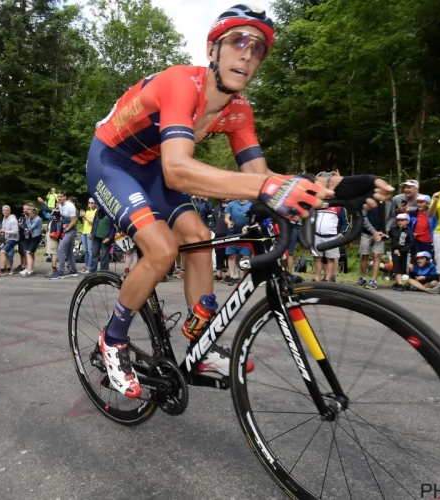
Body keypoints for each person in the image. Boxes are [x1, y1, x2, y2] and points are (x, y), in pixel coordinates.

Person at [84, 4, 392, 398]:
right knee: (162, 250)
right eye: (238, 41)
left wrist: (332, 188)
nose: (247, 54)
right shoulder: (181, 83)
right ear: (213, 50)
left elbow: (259, 177)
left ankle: (201, 341)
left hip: (156, 168)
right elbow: (180, 170)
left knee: (197, 234)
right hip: (113, 161)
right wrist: (267, 190)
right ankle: (113, 338)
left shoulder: (239, 111)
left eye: (258, 48)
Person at [389, 213, 414, 291]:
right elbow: (391, 238)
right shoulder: (393, 230)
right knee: (397, 267)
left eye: (402, 220)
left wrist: (402, 250)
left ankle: (396, 283)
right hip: (395, 251)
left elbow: (411, 242)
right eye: (398, 220)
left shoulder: (408, 232)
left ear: (407, 221)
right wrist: (395, 248)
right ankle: (400, 284)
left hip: (404, 251)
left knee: (402, 267)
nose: (400, 222)